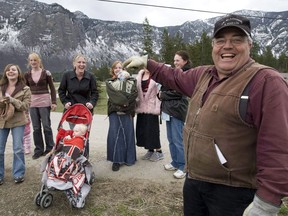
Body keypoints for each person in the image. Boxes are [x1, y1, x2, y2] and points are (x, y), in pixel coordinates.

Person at [123, 14, 288, 216]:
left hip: (234, 192)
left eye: (237, 39)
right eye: (221, 40)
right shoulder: (204, 74)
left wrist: (267, 203)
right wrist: (149, 63)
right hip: (194, 183)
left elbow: (279, 147)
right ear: (213, 46)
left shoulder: (266, 82)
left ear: (250, 45)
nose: (227, 46)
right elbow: (175, 77)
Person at [58, 54, 98, 157]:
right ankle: (73, 158)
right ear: (74, 64)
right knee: (74, 135)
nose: (81, 64)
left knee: (85, 137)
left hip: (86, 112)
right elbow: (61, 91)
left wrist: (92, 103)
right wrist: (65, 102)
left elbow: (95, 93)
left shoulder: (90, 77)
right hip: (72, 112)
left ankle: (85, 159)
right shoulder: (67, 75)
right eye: (79, 62)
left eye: (83, 62)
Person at [160, 50, 191, 179]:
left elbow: (179, 92)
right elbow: (164, 87)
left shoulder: (186, 74)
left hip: (178, 110)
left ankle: (183, 166)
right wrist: (165, 92)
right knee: (171, 139)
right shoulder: (174, 73)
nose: (175, 63)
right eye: (174, 60)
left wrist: (163, 95)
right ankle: (175, 162)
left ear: (185, 61)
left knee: (178, 140)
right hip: (168, 109)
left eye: (178, 60)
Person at [0, 64, 31, 184]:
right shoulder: (1, 86)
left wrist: (12, 100)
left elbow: (26, 106)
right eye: (8, 70)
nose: (10, 71)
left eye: (13, 70)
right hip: (2, 121)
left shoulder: (25, 89)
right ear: (5, 73)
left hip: (18, 121)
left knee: (18, 148)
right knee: (0, 149)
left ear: (18, 73)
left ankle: (18, 174)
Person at [24, 52, 57, 160]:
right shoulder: (27, 75)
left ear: (39, 61)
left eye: (35, 60)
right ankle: (38, 149)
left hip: (44, 102)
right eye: (31, 60)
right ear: (29, 62)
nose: (33, 62)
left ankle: (50, 149)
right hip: (32, 103)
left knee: (46, 126)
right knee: (36, 127)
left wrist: (53, 102)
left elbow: (52, 88)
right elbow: (25, 90)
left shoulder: (46, 73)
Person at [106, 61, 137, 171]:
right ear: (113, 70)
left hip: (127, 110)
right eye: (116, 68)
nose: (118, 69)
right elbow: (113, 96)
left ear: (124, 69)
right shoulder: (109, 82)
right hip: (114, 111)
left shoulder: (132, 81)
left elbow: (133, 94)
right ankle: (116, 160)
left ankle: (129, 158)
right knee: (116, 134)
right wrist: (123, 101)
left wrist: (126, 104)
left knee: (128, 134)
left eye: (120, 67)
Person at [135, 68, 163, 162]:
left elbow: (159, 91)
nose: (146, 67)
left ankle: (159, 151)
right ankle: (150, 150)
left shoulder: (156, 75)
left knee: (153, 130)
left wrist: (158, 104)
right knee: (143, 130)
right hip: (141, 106)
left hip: (152, 106)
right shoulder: (139, 76)